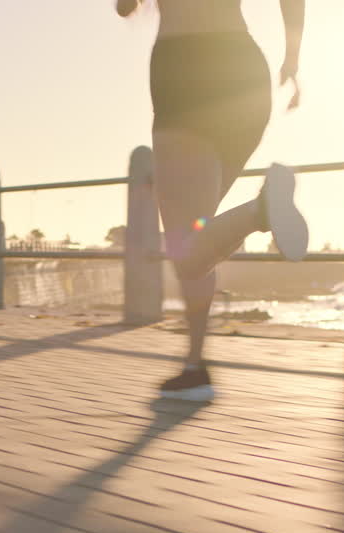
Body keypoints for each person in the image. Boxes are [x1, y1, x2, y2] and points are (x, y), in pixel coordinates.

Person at [118, 0, 309, 401]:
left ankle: (261, 209)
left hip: (185, 69)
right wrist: (292, 59)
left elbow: (124, 6)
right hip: (246, 75)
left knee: (187, 249)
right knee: (200, 232)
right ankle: (195, 367)